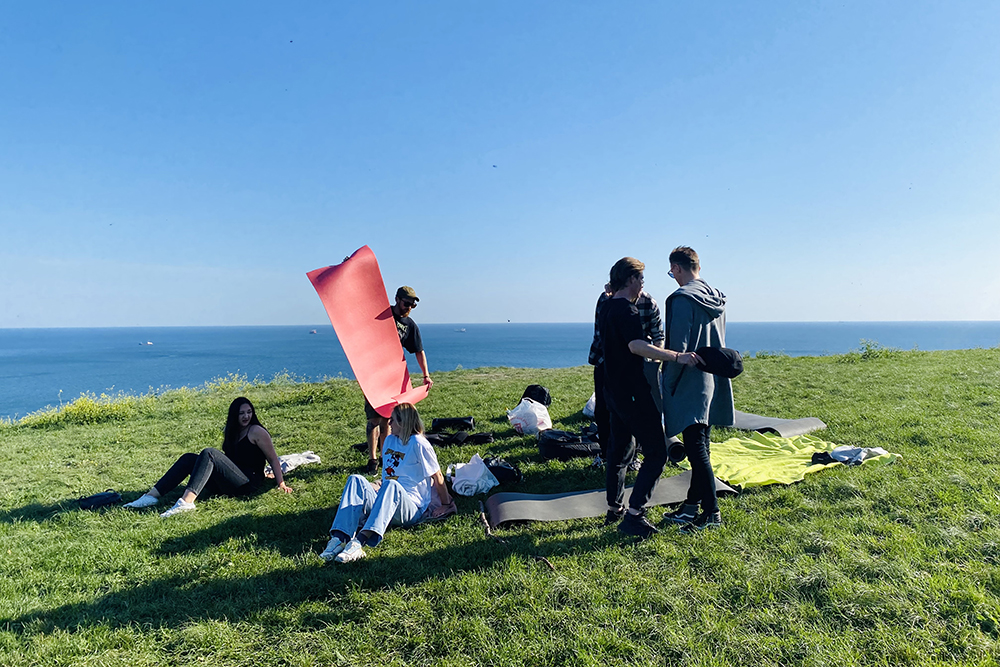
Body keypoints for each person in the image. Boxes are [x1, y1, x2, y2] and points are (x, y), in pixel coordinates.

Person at [598, 257, 701, 538]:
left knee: (619, 451)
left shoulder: (606, 305)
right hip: (632, 392)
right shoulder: (627, 310)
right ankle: (634, 515)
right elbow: (637, 345)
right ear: (631, 279)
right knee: (656, 452)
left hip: (612, 390)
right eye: (641, 279)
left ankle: (614, 508)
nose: (643, 285)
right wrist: (677, 356)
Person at [659, 247, 735, 532]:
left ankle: (711, 513)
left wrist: (669, 381)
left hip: (688, 378)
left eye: (671, 272)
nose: (672, 277)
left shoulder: (681, 300)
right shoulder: (716, 297)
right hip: (713, 378)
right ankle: (691, 506)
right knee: (702, 445)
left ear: (677, 268)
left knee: (696, 449)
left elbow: (677, 346)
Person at [320, 402, 454, 563]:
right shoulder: (390, 440)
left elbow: (437, 476)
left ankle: (359, 543)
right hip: (386, 500)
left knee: (391, 485)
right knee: (355, 479)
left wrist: (446, 504)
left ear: (403, 423)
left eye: (392, 420)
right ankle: (339, 538)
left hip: (411, 507)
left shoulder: (419, 444)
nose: (388, 423)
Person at [123, 397, 293, 517]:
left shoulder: (257, 431)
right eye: (242, 413)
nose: (246, 416)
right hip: (229, 482)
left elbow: (272, 458)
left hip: (247, 484)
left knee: (209, 453)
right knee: (189, 458)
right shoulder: (230, 430)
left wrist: (281, 483)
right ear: (234, 415)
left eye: (249, 412)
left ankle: (186, 503)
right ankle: (151, 497)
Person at [588, 282, 664, 467]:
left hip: (636, 365)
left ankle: (633, 456)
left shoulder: (648, 302)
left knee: (636, 411)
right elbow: (600, 333)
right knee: (603, 409)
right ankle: (607, 455)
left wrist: (655, 363)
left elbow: (658, 335)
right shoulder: (606, 300)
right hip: (606, 362)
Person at [363, 286, 433, 475]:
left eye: (412, 305)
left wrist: (425, 375)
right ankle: (372, 459)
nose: (408, 308)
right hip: (373, 375)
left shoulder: (410, 325)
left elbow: (419, 350)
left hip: (393, 376)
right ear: (397, 299)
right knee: (373, 419)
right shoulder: (382, 316)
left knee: (388, 419)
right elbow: (362, 301)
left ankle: (385, 455)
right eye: (406, 303)